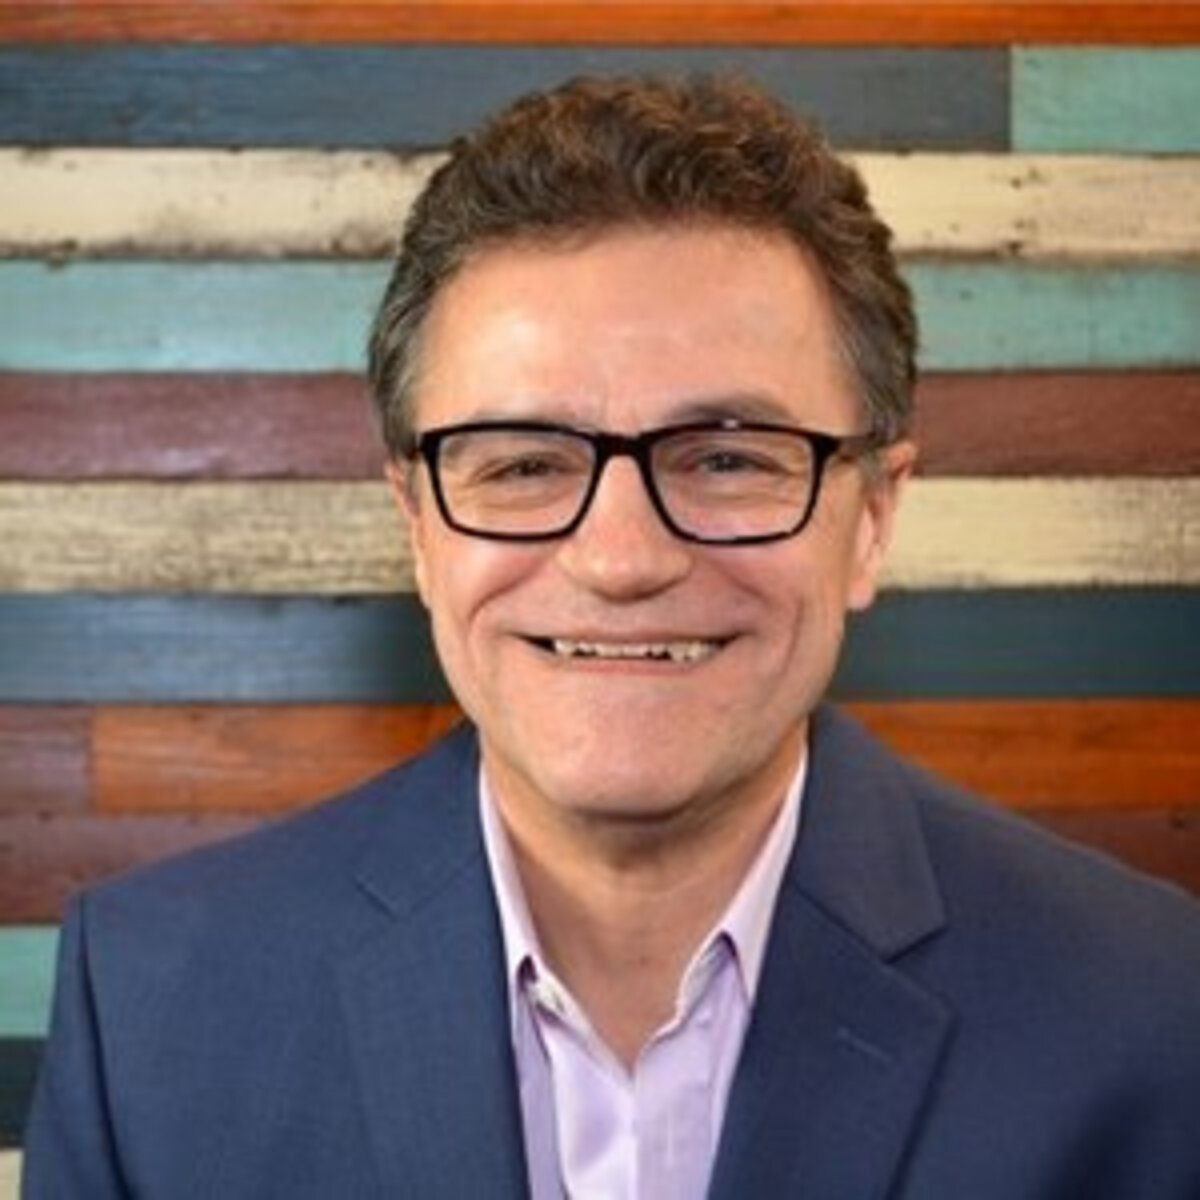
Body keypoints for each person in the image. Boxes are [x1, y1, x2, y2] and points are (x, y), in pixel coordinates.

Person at [23, 75, 1200, 1199]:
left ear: (872, 521)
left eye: (727, 459)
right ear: (419, 527)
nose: (622, 560)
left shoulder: (1152, 1009)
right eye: (524, 465)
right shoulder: (154, 1009)